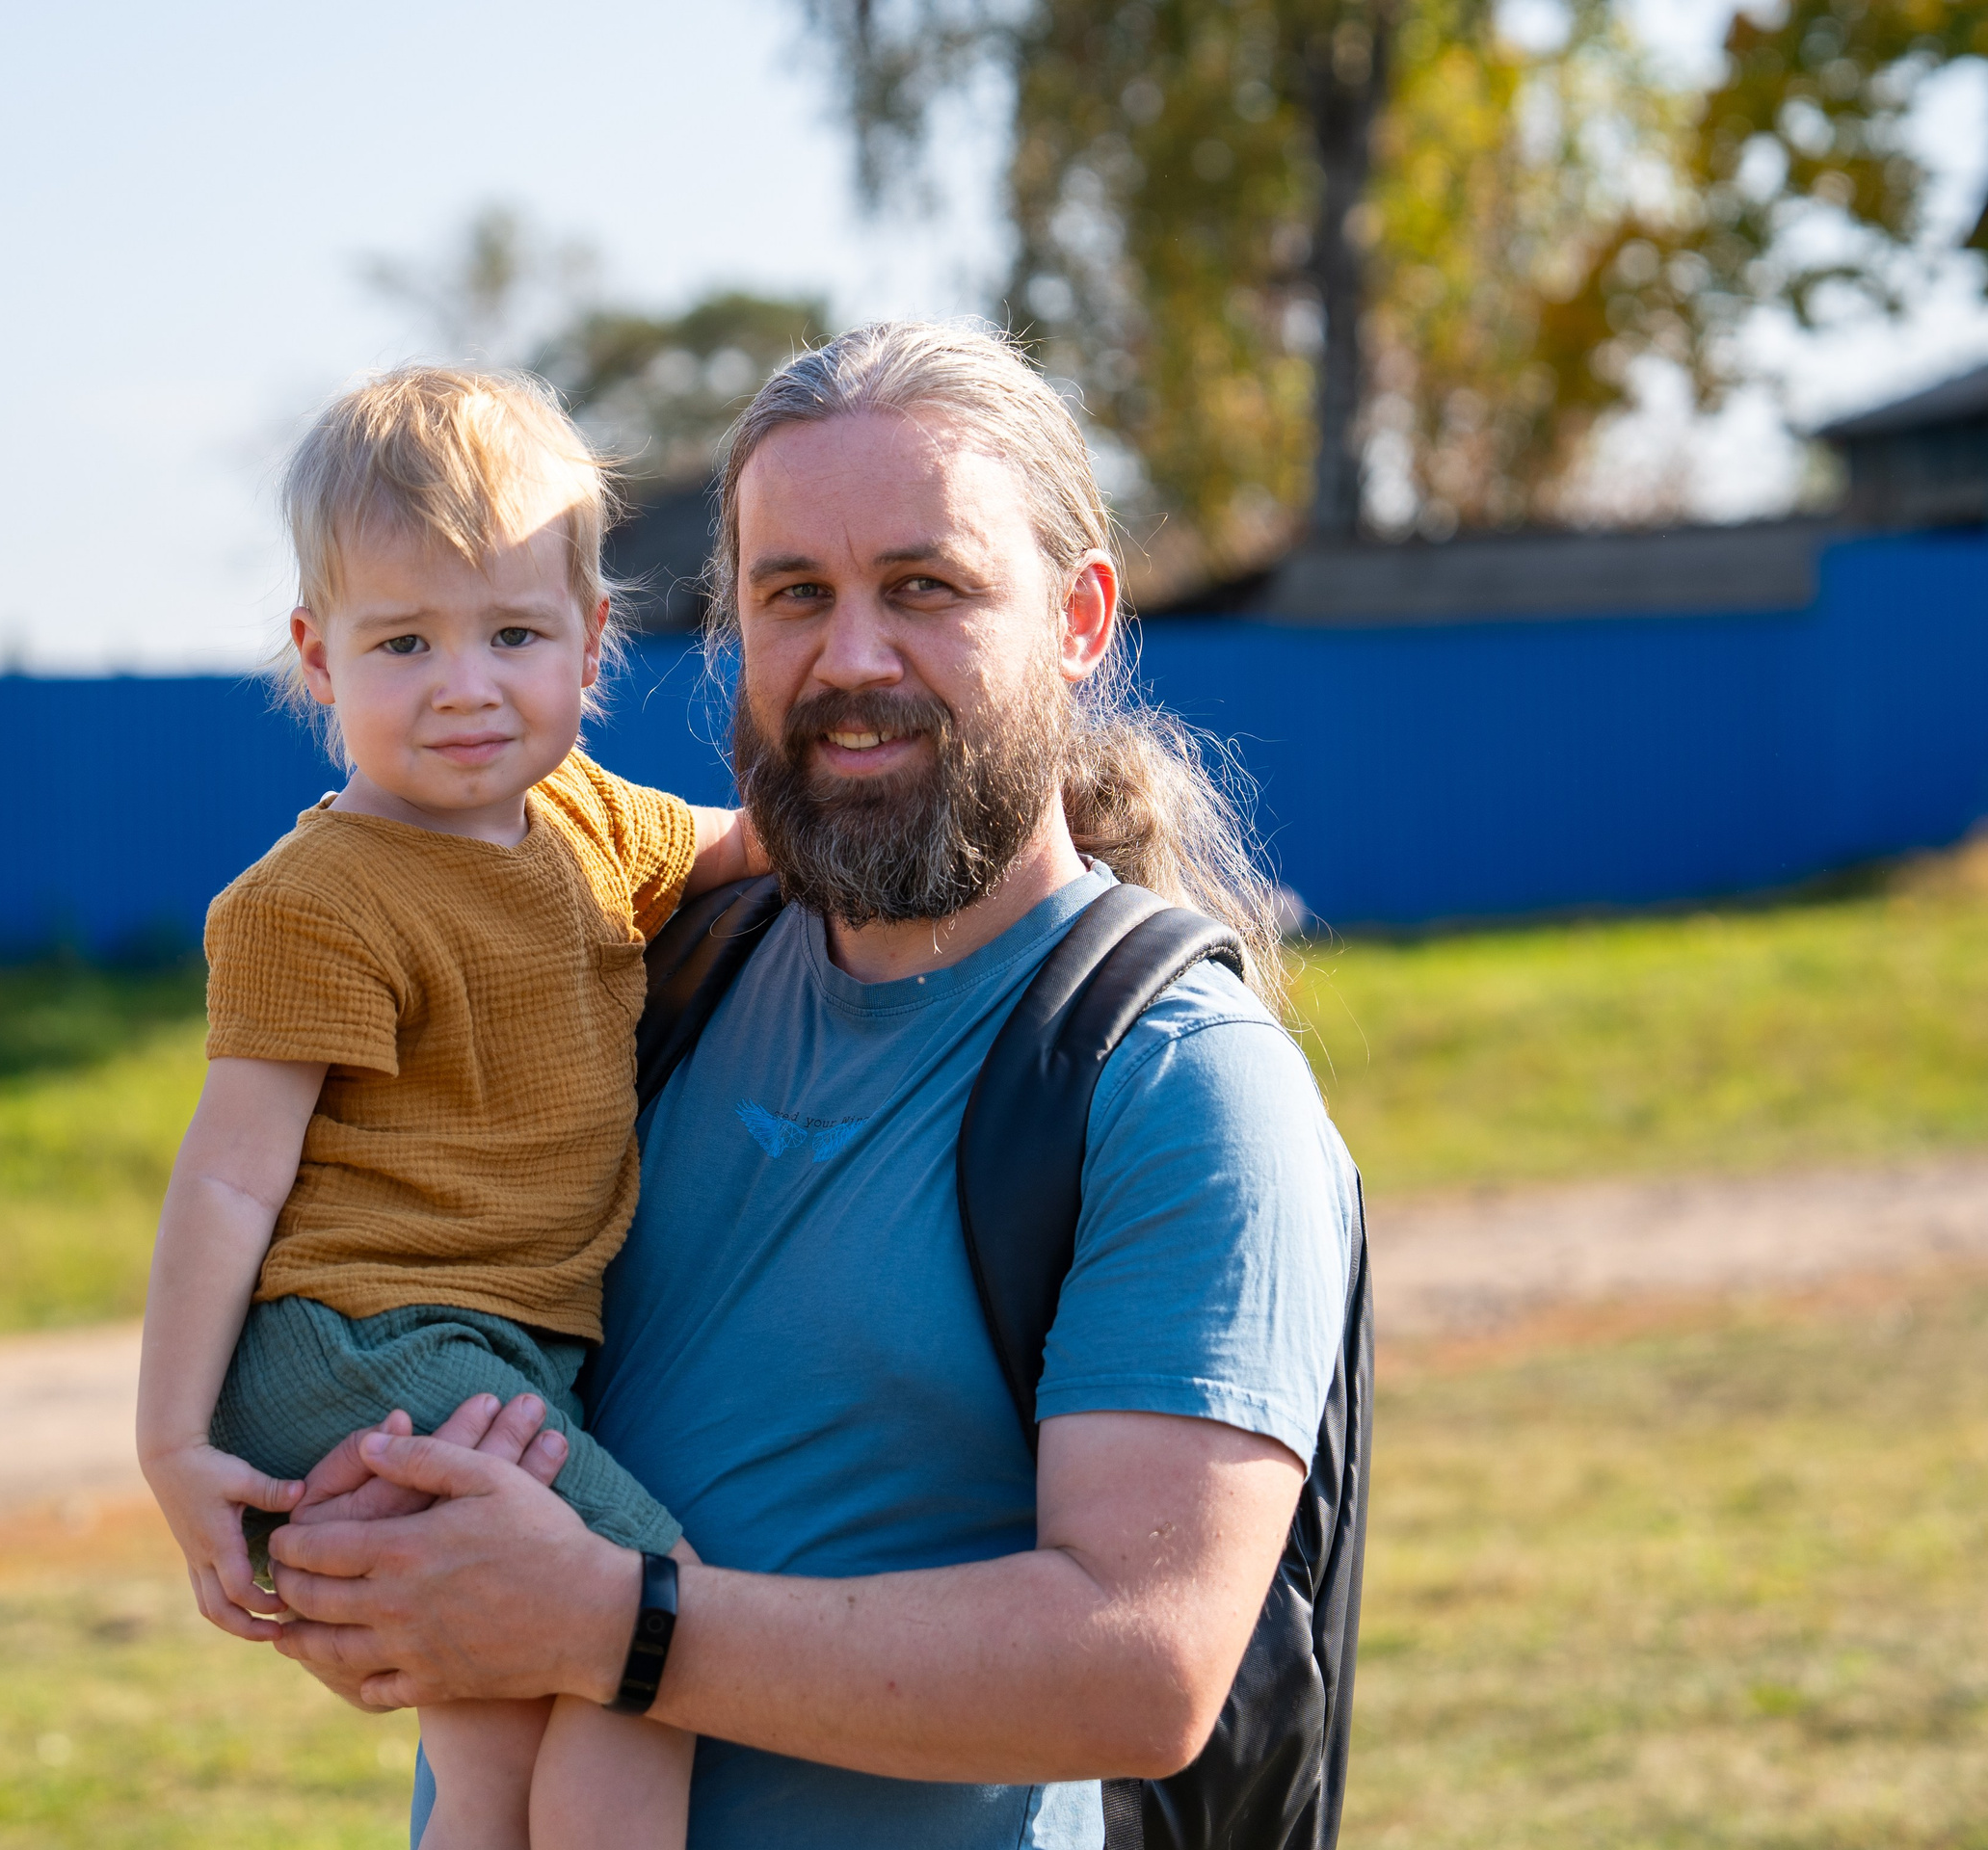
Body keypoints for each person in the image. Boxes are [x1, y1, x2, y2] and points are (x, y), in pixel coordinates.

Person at [264, 321, 1360, 1850]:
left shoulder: (1173, 1083)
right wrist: (381, 1568)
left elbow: (1146, 1660)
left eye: (926, 588)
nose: (852, 659)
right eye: (795, 596)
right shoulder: (656, 964)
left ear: (1080, 617)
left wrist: (609, 1627)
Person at [133, 365, 762, 1850]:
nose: (465, 685)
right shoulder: (318, 901)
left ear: (594, 642)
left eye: (513, 634)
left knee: (495, 1728)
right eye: (404, 640)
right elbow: (226, 1184)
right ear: (317, 655)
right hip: (370, 1341)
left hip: (486, 1350)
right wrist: (170, 1449)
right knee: (638, 1636)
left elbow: (771, 850)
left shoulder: (595, 821)